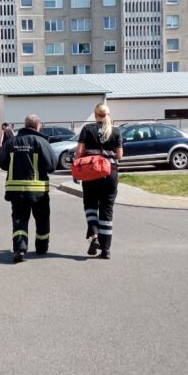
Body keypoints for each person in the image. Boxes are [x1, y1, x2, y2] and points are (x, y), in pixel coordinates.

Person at [0, 114, 57, 263]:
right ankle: (42, 247)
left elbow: (2, 162)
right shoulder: (41, 142)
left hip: (16, 191)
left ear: (25, 126)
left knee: (19, 220)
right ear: (37, 126)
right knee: (42, 219)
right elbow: (52, 165)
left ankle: (20, 250)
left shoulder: (12, 141)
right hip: (38, 191)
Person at [75, 103, 123, 259]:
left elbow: (80, 152)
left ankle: (94, 234)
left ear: (95, 115)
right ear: (108, 114)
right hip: (110, 174)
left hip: (91, 173)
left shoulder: (88, 129)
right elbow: (119, 156)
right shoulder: (116, 131)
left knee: (90, 204)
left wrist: (76, 169)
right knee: (106, 211)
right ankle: (106, 250)